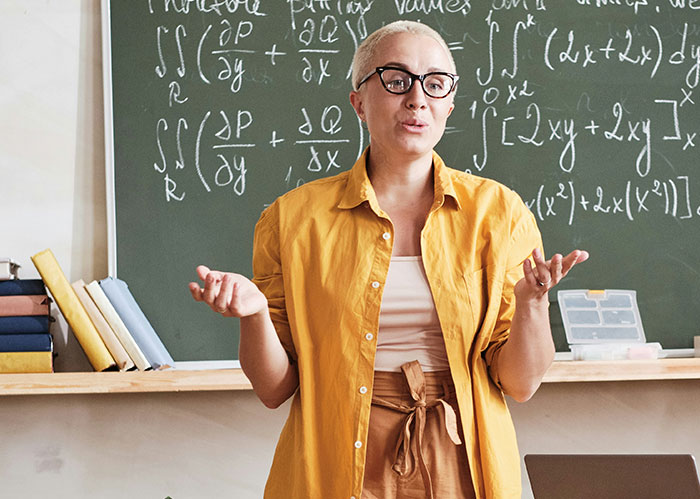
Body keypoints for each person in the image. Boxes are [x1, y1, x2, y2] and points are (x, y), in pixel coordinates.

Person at [189, 20, 589, 499]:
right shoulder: (292, 219)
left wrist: (531, 304)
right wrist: (253, 314)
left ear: (450, 104)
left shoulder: (499, 214)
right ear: (358, 101)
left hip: (461, 456)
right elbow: (274, 390)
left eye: (435, 84)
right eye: (396, 80)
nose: (417, 99)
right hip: (334, 459)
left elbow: (521, 384)